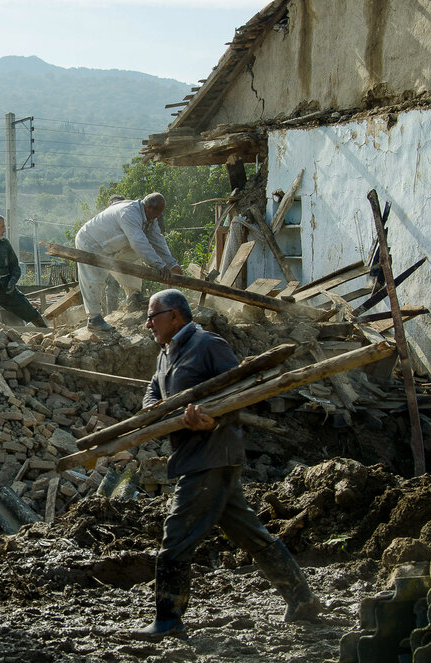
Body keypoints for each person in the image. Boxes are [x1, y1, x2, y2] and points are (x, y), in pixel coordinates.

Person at [131, 289, 320, 641]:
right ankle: (303, 599)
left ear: (175, 316)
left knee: (176, 535)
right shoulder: (166, 353)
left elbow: (240, 391)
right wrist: (152, 409)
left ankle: (168, 618)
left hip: (213, 454)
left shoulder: (208, 344)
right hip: (195, 456)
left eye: (153, 315)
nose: (148, 323)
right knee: (249, 533)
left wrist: (214, 422)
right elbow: (153, 390)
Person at [75, 193, 182, 332]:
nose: (157, 217)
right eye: (157, 213)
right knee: (94, 279)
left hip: (113, 246)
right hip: (91, 243)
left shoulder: (150, 218)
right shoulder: (129, 213)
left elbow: (157, 240)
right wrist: (160, 265)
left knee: (133, 257)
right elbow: (139, 242)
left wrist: (172, 264)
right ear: (149, 207)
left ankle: (133, 297)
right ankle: (94, 318)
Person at [0, 214, 47, 326]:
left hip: (7, 288)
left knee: (30, 312)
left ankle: (47, 332)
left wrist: (12, 281)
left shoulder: (4, 244)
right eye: (2, 227)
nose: (4, 230)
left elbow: (15, 267)